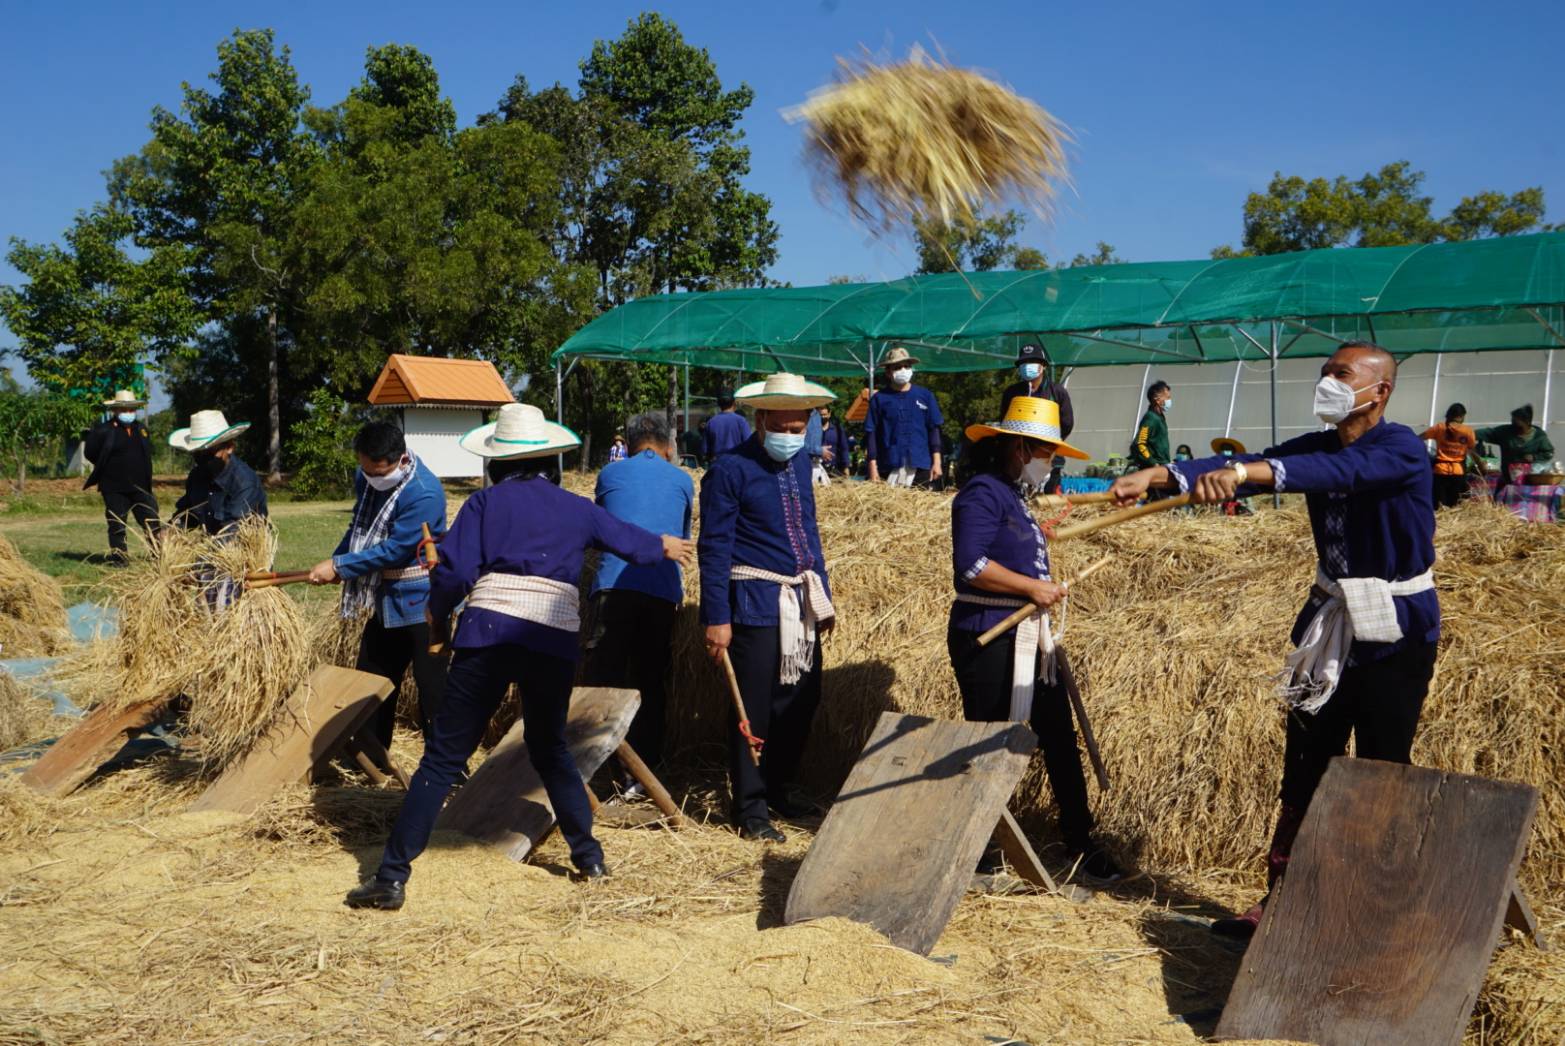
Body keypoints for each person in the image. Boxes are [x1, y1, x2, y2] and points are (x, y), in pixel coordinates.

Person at [1110, 342, 1439, 939]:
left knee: (1382, 770)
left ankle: (1366, 911)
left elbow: (1337, 473)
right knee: (1305, 764)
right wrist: (1158, 475)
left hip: (1395, 631)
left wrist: (1244, 473)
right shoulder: (1319, 444)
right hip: (1327, 623)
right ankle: (1282, 898)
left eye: (1341, 375)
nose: (1327, 383)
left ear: (1379, 391)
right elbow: (1267, 462)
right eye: (1324, 373)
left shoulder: (1402, 449)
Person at [346, 404, 694, 910]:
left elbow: (455, 574)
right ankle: (590, 858)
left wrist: (437, 615)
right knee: (550, 748)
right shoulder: (575, 507)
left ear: (496, 462)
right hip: (551, 639)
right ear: (551, 460)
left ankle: (391, 877)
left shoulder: (484, 506)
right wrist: (663, 545)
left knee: (442, 759)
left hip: (488, 632)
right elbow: (626, 539)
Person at [948, 396, 1122, 881]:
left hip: (1030, 638)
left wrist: (1038, 592)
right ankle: (977, 846)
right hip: (989, 633)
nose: (1051, 460)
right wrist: (1031, 587)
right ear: (1021, 448)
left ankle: (1080, 842)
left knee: (1060, 740)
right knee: (988, 742)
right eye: (1045, 451)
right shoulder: (981, 493)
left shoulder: (1014, 498)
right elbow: (972, 565)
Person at [700, 373, 837, 844]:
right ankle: (750, 806)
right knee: (753, 708)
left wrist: (824, 597)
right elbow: (714, 547)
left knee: (800, 700)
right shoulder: (729, 470)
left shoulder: (800, 467)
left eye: (799, 428)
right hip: (755, 602)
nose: (791, 437)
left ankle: (779, 786)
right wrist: (716, 617)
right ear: (761, 421)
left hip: (799, 601)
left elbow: (809, 533)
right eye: (784, 427)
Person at [307, 422, 448, 752]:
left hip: (423, 603)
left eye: (378, 471)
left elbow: (396, 550)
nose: (371, 477)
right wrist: (339, 559)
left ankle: (446, 765)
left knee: (433, 688)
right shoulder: (366, 478)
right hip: (384, 600)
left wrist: (342, 566)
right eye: (365, 469)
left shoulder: (424, 492)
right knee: (372, 679)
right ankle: (370, 756)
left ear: (400, 460)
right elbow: (359, 526)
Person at [582, 411, 694, 789]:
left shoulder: (610, 474)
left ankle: (593, 770)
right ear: (668, 445)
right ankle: (642, 776)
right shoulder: (682, 479)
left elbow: (599, 531)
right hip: (661, 592)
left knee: (603, 680)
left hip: (612, 588)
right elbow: (682, 537)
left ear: (628, 445)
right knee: (650, 683)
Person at [82, 389, 162, 562]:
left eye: (131, 409)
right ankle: (120, 559)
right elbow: (90, 452)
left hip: (141, 486)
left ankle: (159, 556)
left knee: (152, 522)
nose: (128, 413)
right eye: (124, 410)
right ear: (115, 411)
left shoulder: (141, 429)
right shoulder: (103, 430)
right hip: (114, 487)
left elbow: (148, 451)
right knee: (117, 525)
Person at [169, 409, 267, 535]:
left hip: (239, 548)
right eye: (198, 453)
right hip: (213, 544)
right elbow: (188, 514)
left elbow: (233, 530)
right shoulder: (196, 476)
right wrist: (171, 530)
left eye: (210, 452)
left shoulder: (244, 481)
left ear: (229, 448)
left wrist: (205, 553)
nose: (204, 458)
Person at [866, 347, 944, 487]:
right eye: (897, 367)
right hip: (889, 464)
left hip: (921, 464)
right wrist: (872, 467)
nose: (903, 370)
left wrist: (937, 462)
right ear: (888, 372)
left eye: (907, 366)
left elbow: (934, 430)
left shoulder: (925, 396)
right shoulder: (879, 399)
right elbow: (871, 433)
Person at [999, 343, 1075, 435]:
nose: (1027, 366)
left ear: (1043, 365)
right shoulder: (1011, 392)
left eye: (1032, 361)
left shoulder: (1057, 392)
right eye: (1024, 362)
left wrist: (1050, 444)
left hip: (1047, 446)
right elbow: (1004, 421)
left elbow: (1067, 424)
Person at [1477, 404, 1553, 491]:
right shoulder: (1506, 432)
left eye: (1517, 424)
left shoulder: (1539, 437)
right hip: (1507, 479)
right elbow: (1488, 433)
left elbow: (1549, 452)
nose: (1513, 427)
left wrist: (1534, 457)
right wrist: (1467, 434)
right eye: (1512, 422)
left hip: (1529, 481)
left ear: (1527, 422)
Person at [1420, 403, 1479, 508]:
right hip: (1458, 471)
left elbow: (1418, 438)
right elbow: (1472, 451)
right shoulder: (1468, 431)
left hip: (1440, 471)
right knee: (1455, 505)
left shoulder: (1439, 427)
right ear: (1461, 416)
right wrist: (1481, 464)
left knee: (1439, 505)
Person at [1128, 381, 1172, 471]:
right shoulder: (1151, 418)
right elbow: (1140, 443)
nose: (1169, 401)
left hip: (1163, 465)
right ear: (1157, 399)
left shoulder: (1160, 418)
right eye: (1167, 398)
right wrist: (1153, 463)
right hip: (1153, 469)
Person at [703, 388, 752, 460]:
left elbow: (705, 450)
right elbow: (749, 445)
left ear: (718, 404)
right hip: (737, 463)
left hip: (718, 463)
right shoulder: (741, 421)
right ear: (734, 402)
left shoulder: (711, 422)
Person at [818, 405, 850, 476]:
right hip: (818, 468)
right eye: (820, 415)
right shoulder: (812, 431)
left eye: (824, 415)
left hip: (835, 468)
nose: (822, 417)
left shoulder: (837, 429)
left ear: (829, 414)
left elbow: (844, 448)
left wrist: (846, 466)